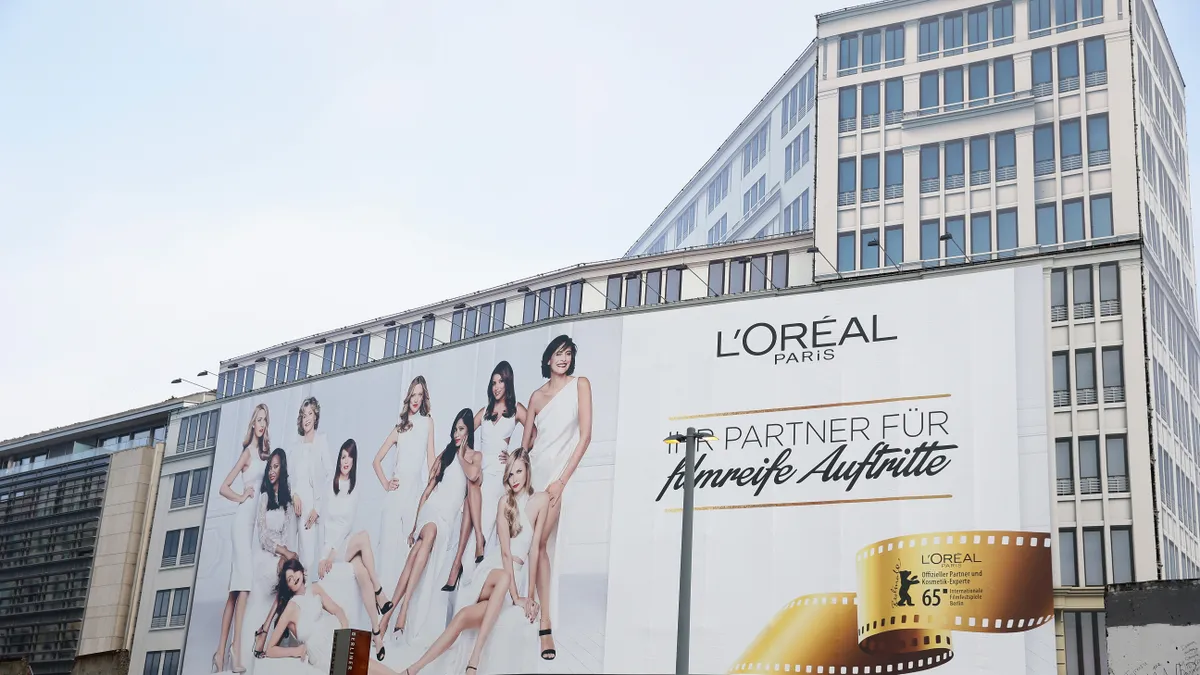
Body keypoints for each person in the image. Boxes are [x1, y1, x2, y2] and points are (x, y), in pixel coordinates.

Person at [378, 448, 546, 675]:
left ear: (528, 470)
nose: (514, 478)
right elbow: (505, 553)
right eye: (511, 473)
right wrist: (517, 598)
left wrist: (531, 599)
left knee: (462, 619)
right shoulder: (505, 503)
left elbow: (535, 549)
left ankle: (412, 670)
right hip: (495, 572)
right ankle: (473, 661)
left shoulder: (540, 501)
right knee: (505, 577)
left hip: (511, 583)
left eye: (519, 472)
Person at [379, 409, 480, 645]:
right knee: (429, 532)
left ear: (469, 432)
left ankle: (389, 613)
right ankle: (403, 611)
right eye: (455, 429)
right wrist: (415, 524)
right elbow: (427, 491)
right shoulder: (445, 454)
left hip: (447, 520)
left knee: (418, 551)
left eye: (461, 429)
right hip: (431, 512)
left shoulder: (474, 457)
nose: (456, 434)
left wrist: (463, 451)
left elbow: (473, 476)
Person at [520, 334, 592, 660]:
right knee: (534, 543)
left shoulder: (581, 385)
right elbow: (526, 446)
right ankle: (533, 610)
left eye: (568, 353)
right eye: (558, 353)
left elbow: (586, 436)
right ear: (548, 358)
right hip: (534, 476)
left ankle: (543, 623)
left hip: (559, 478)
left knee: (541, 540)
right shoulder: (536, 397)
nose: (563, 358)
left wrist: (562, 481)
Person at [443, 362, 528, 591]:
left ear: (508, 382)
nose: (496, 387)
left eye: (501, 381)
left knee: (484, 523)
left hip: (497, 474)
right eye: (493, 382)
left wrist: (514, 456)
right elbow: (464, 433)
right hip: (478, 471)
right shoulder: (485, 411)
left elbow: (534, 433)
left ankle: (470, 582)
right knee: (467, 521)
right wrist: (465, 456)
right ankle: (462, 577)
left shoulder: (517, 409)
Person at [317, 439, 397, 661]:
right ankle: (380, 591)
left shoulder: (355, 488)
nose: (346, 461)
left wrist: (336, 551)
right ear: (339, 459)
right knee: (363, 538)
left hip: (343, 546)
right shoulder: (329, 485)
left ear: (354, 461)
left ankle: (376, 631)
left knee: (362, 572)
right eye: (343, 456)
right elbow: (326, 525)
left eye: (350, 457)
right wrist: (327, 556)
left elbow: (346, 524)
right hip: (332, 549)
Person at [212, 403, 271, 674]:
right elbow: (224, 486)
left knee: (235, 592)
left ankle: (220, 651)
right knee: (243, 585)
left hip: (252, 527)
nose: (261, 424)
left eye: (265, 420)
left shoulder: (266, 454)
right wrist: (241, 497)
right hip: (240, 522)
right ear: (252, 424)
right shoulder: (248, 453)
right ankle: (236, 648)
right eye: (258, 419)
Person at [374, 377, 436, 588]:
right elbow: (376, 460)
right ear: (408, 396)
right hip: (397, 493)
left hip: (414, 493)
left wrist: (431, 492)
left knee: (407, 551)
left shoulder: (427, 423)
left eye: (420, 394)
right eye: (413, 394)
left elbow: (431, 461)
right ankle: (383, 605)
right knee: (389, 550)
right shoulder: (399, 428)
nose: (416, 399)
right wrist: (386, 483)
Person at [258, 558, 349, 673]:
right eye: (289, 579)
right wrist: (297, 651)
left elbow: (338, 610)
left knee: (366, 664)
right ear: (288, 586)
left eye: (295, 572)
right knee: (362, 668)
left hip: (335, 636)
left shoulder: (315, 588)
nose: (294, 578)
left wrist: (345, 634)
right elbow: (270, 650)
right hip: (320, 651)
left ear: (301, 570)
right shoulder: (290, 608)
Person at [293, 397, 331, 573]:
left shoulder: (322, 441)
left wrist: (317, 508)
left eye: (310, 414)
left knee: (310, 560)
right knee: (297, 557)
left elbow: (329, 476)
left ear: (316, 417)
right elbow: (292, 476)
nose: (306, 418)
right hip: (297, 507)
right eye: (303, 415)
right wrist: (294, 495)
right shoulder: (296, 447)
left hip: (313, 508)